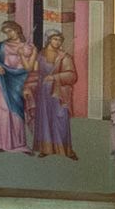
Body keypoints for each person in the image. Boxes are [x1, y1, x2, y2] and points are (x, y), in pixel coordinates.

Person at [0, 21, 34, 154]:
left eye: (10, 31)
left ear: (17, 30)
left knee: (16, 113)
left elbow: (28, 68)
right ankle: (0, 143)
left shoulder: (29, 47)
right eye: (6, 32)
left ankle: (19, 144)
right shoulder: (0, 46)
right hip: (1, 80)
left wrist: (21, 54)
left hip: (17, 81)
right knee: (1, 110)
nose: (9, 34)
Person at [29, 31, 78, 159]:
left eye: (59, 40)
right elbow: (34, 70)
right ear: (49, 40)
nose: (57, 42)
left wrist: (55, 77)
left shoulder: (64, 57)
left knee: (60, 118)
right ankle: (46, 149)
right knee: (45, 120)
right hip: (43, 93)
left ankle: (65, 150)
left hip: (58, 93)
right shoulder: (40, 55)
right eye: (55, 39)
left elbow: (72, 76)